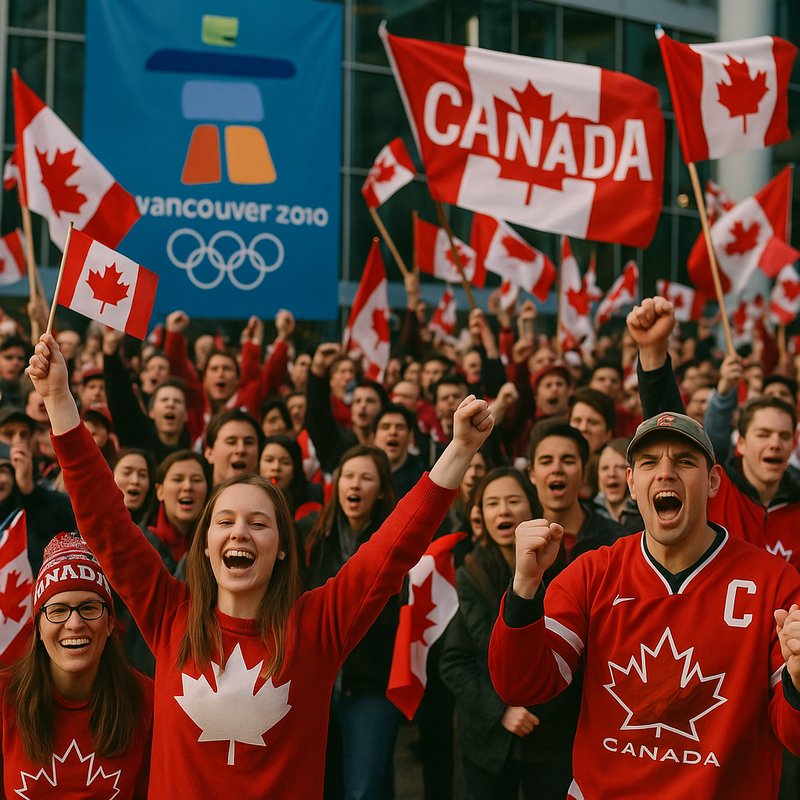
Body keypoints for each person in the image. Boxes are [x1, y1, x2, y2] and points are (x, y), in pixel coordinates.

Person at [28, 332, 493, 799]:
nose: (239, 533)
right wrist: (59, 400)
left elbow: (393, 548)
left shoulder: (318, 626)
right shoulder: (169, 613)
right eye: (225, 521)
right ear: (206, 545)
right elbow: (105, 521)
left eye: (259, 523)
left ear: (284, 547)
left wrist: (458, 450)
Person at [489, 411, 800, 799]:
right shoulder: (594, 572)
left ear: (714, 481)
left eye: (685, 461)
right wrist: (523, 589)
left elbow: (794, 736)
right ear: (633, 483)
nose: (666, 473)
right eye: (650, 462)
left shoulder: (776, 583)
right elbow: (521, 684)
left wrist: (799, 682)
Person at [441, 468, 575, 800]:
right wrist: (501, 709)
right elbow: (454, 663)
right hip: (488, 741)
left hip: (552, 737)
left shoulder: (563, 568)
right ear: (480, 516)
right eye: (492, 503)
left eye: (513, 501)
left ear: (532, 508)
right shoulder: (471, 573)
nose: (503, 510)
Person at [1, 533, 153, 799]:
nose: (74, 624)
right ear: (38, 626)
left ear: (109, 624)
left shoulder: (148, 700)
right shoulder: (4, 697)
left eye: (90, 608)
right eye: (58, 610)